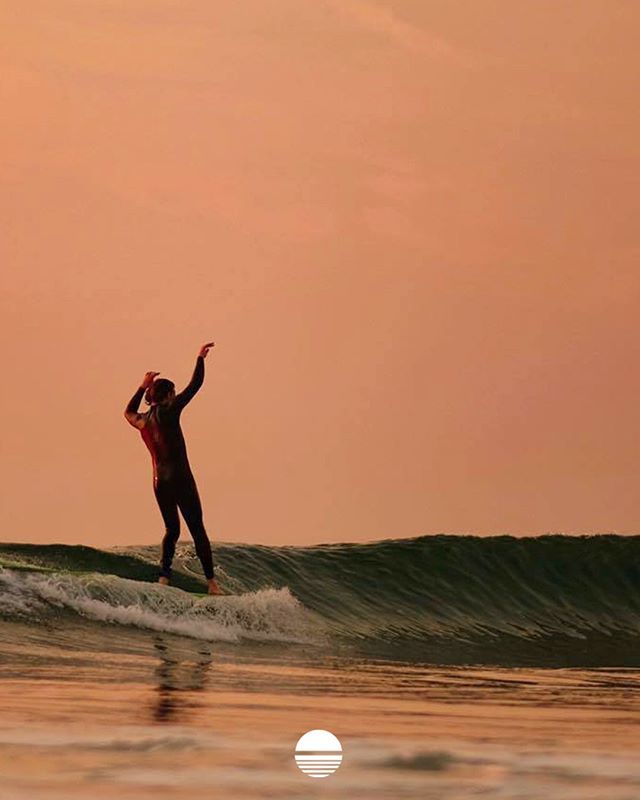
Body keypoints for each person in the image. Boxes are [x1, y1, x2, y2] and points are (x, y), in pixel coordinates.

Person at [124, 342, 223, 595]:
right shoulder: (170, 410)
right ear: (168, 396)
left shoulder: (143, 421)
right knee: (197, 528)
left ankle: (164, 579)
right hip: (181, 479)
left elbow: (128, 411)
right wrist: (200, 358)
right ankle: (211, 583)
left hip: (160, 482)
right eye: (173, 393)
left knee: (172, 529)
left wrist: (142, 386)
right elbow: (195, 386)